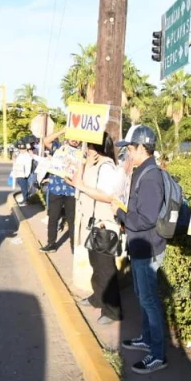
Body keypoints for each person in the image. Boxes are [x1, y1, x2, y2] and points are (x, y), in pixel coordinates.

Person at [115, 125, 169, 374]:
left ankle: (157, 354)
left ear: (141, 147)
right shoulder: (143, 172)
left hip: (148, 248)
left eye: (130, 148)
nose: (127, 152)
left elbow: (146, 217)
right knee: (143, 296)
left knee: (149, 300)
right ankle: (147, 339)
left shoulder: (151, 176)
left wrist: (122, 215)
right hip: (141, 246)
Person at [69, 132, 123, 325]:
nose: (86, 148)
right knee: (96, 264)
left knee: (105, 268)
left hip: (103, 223)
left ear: (96, 146)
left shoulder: (107, 166)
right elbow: (77, 181)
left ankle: (112, 310)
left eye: (88, 145)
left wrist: (81, 186)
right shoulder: (92, 163)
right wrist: (82, 163)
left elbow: (108, 196)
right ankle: (97, 298)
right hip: (91, 221)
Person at [42, 131, 80, 253]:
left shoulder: (82, 153)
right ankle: (51, 243)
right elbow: (46, 141)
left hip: (72, 190)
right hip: (56, 188)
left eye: (78, 138)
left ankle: (74, 247)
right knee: (53, 217)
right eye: (73, 137)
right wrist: (64, 129)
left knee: (72, 220)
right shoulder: (59, 148)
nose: (75, 140)